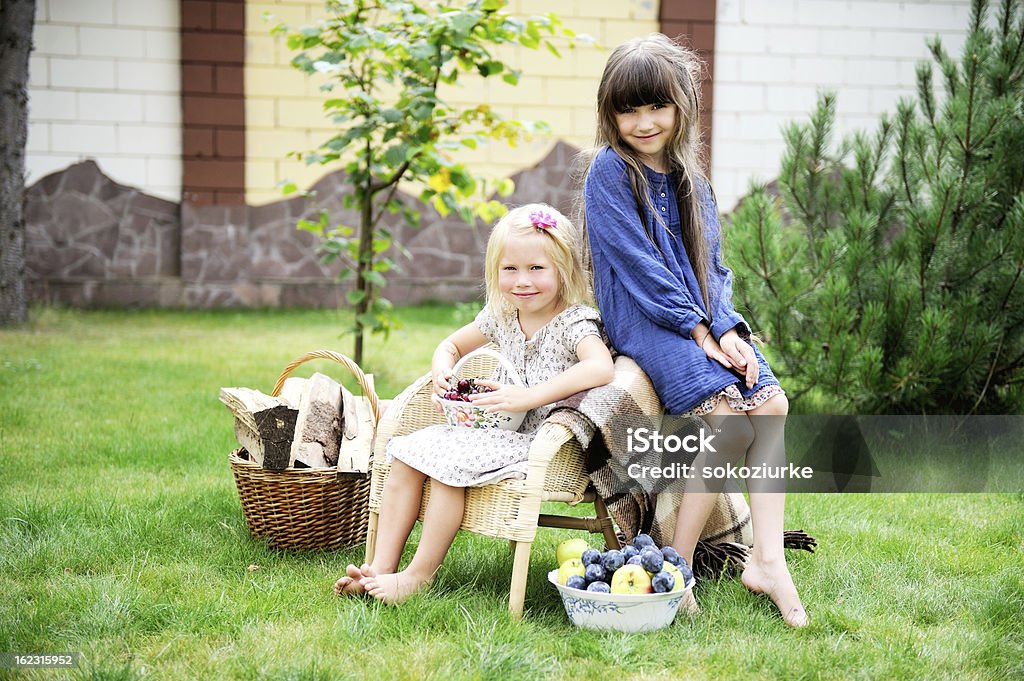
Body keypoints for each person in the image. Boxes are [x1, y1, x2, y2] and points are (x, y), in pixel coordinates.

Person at [582, 33, 808, 627]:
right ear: (611, 114)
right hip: (643, 316)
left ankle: (766, 561)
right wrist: (699, 330)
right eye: (628, 109)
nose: (644, 121)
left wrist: (727, 325)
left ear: (681, 105)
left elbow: (712, 267)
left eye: (657, 106)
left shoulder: (691, 179)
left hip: (698, 317)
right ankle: (676, 565)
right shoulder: (610, 172)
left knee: (771, 404)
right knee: (726, 418)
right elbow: (640, 268)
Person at [335, 203, 614, 604]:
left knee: (450, 466)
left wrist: (530, 396)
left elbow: (601, 368)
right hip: (497, 431)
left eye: (537, 269)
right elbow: (451, 344)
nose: (522, 282)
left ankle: (418, 575)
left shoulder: (575, 321)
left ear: (564, 270)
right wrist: (441, 366)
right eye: (510, 270)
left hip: (545, 443)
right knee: (405, 454)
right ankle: (380, 567)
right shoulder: (502, 314)